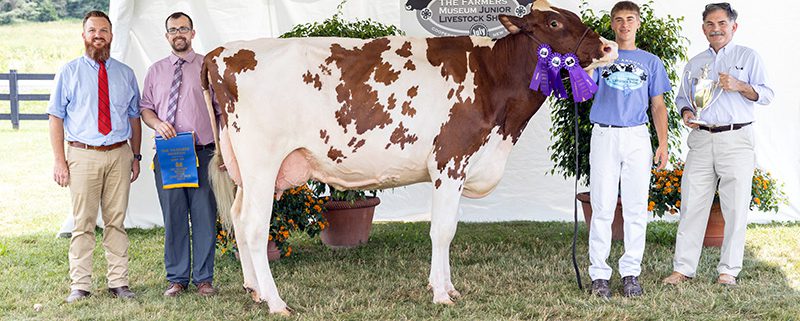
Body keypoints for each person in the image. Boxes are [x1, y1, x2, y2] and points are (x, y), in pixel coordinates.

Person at [663, 2, 773, 286]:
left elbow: (767, 95)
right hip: (701, 139)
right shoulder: (695, 62)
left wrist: (740, 85)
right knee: (691, 204)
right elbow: (682, 99)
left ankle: (728, 271)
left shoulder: (748, 57)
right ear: (703, 29)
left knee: (735, 207)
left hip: (736, 138)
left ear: (733, 26)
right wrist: (687, 113)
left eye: (722, 23)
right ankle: (683, 269)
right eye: (710, 24)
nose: (716, 29)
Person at [48, 10, 142, 303]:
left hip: (118, 154)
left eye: (103, 30)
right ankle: (81, 285)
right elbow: (55, 117)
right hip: (82, 155)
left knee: (116, 221)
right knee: (83, 223)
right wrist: (60, 161)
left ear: (111, 36)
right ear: (84, 35)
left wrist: (135, 155)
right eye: (92, 31)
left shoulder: (125, 73)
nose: (98, 35)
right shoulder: (68, 71)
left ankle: (119, 282)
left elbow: (134, 117)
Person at [587, 1, 671, 298]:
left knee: (636, 207)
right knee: (602, 206)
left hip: (637, 137)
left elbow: (658, 105)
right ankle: (599, 275)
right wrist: (588, 65)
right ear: (612, 24)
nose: (624, 25)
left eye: (630, 19)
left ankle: (631, 273)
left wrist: (663, 143)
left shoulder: (651, 61)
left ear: (638, 23)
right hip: (605, 135)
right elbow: (585, 91)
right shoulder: (602, 56)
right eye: (619, 19)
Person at [140, 12, 218, 297]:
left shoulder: (207, 68)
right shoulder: (156, 71)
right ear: (166, 36)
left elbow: (221, 112)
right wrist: (157, 123)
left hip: (203, 154)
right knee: (173, 216)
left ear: (193, 33)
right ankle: (177, 279)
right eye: (173, 30)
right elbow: (145, 107)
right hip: (169, 154)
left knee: (204, 216)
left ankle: (204, 279)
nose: (178, 34)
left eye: (183, 28)